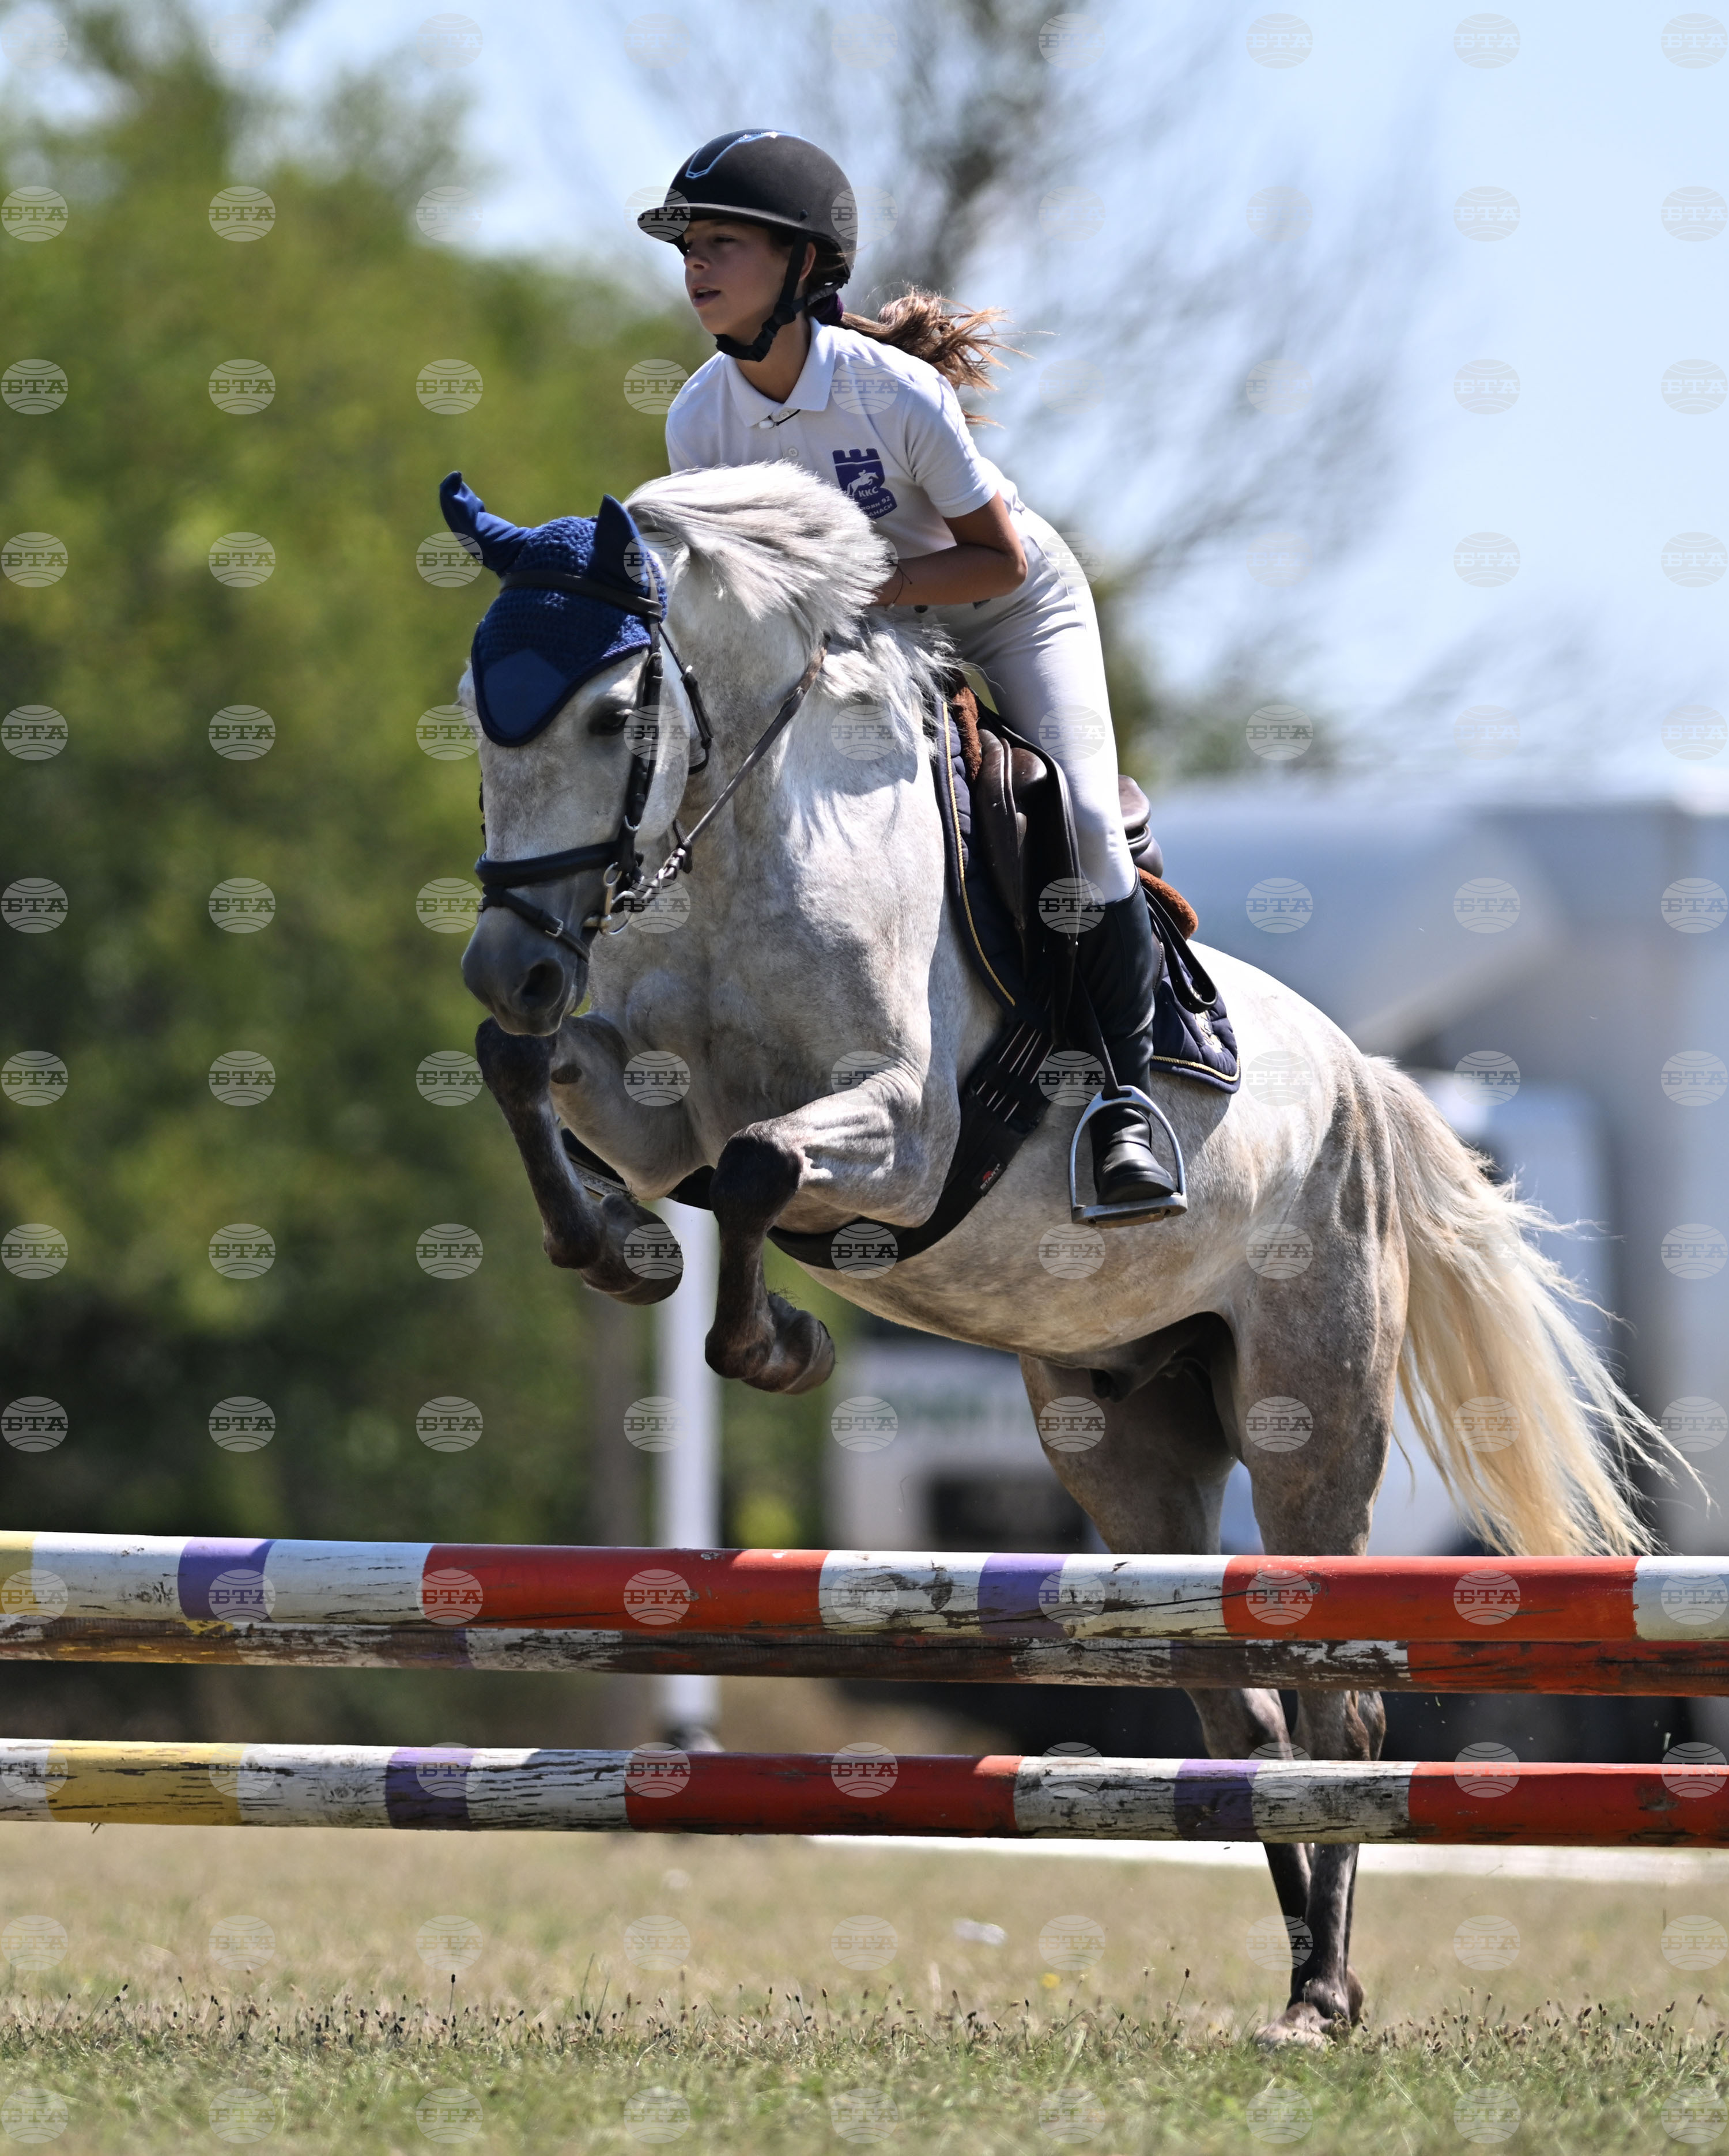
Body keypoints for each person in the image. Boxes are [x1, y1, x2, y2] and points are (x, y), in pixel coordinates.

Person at [637, 129, 1177, 1225]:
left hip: (1010, 610)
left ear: (804, 266)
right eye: (689, 245)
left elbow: (998, 559)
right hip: (866, 628)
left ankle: (1127, 1101)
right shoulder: (700, 418)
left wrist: (847, 585)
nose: (696, 265)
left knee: (1074, 813)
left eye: (724, 244)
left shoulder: (893, 392)